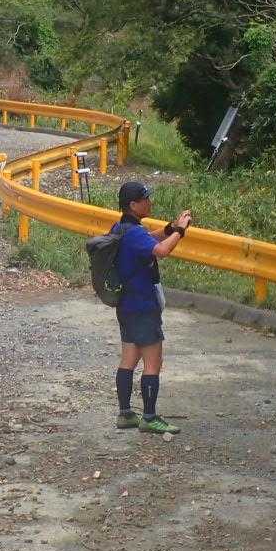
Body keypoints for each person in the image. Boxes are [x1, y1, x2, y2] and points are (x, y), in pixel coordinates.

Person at [111, 181, 190, 434]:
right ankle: (149, 417)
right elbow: (161, 251)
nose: (150, 202)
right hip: (143, 304)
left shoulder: (122, 228)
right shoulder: (135, 233)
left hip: (126, 304)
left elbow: (149, 239)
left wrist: (169, 229)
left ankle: (125, 414)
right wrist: (181, 232)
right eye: (145, 199)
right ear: (133, 205)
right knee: (153, 362)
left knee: (129, 359)